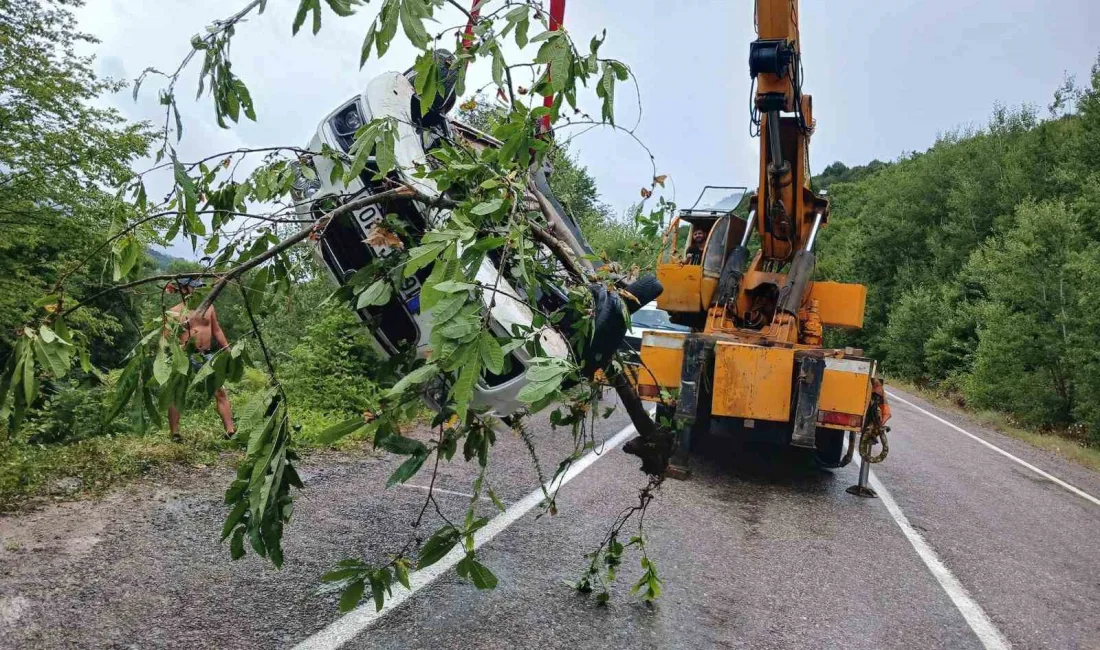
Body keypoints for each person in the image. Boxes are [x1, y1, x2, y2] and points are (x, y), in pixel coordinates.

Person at [165, 278, 235, 441]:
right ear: (184, 290)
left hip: (207, 354)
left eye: (200, 287)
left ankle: (230, 431)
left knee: (220, 390)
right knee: (177, 392)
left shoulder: (209, 308)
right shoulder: (174, 312)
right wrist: (174, 352)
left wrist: (227, 349)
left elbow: (216, 330)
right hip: (184, 356)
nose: (199, 290)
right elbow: (166, 337)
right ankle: (175, 433)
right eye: (194, 287)